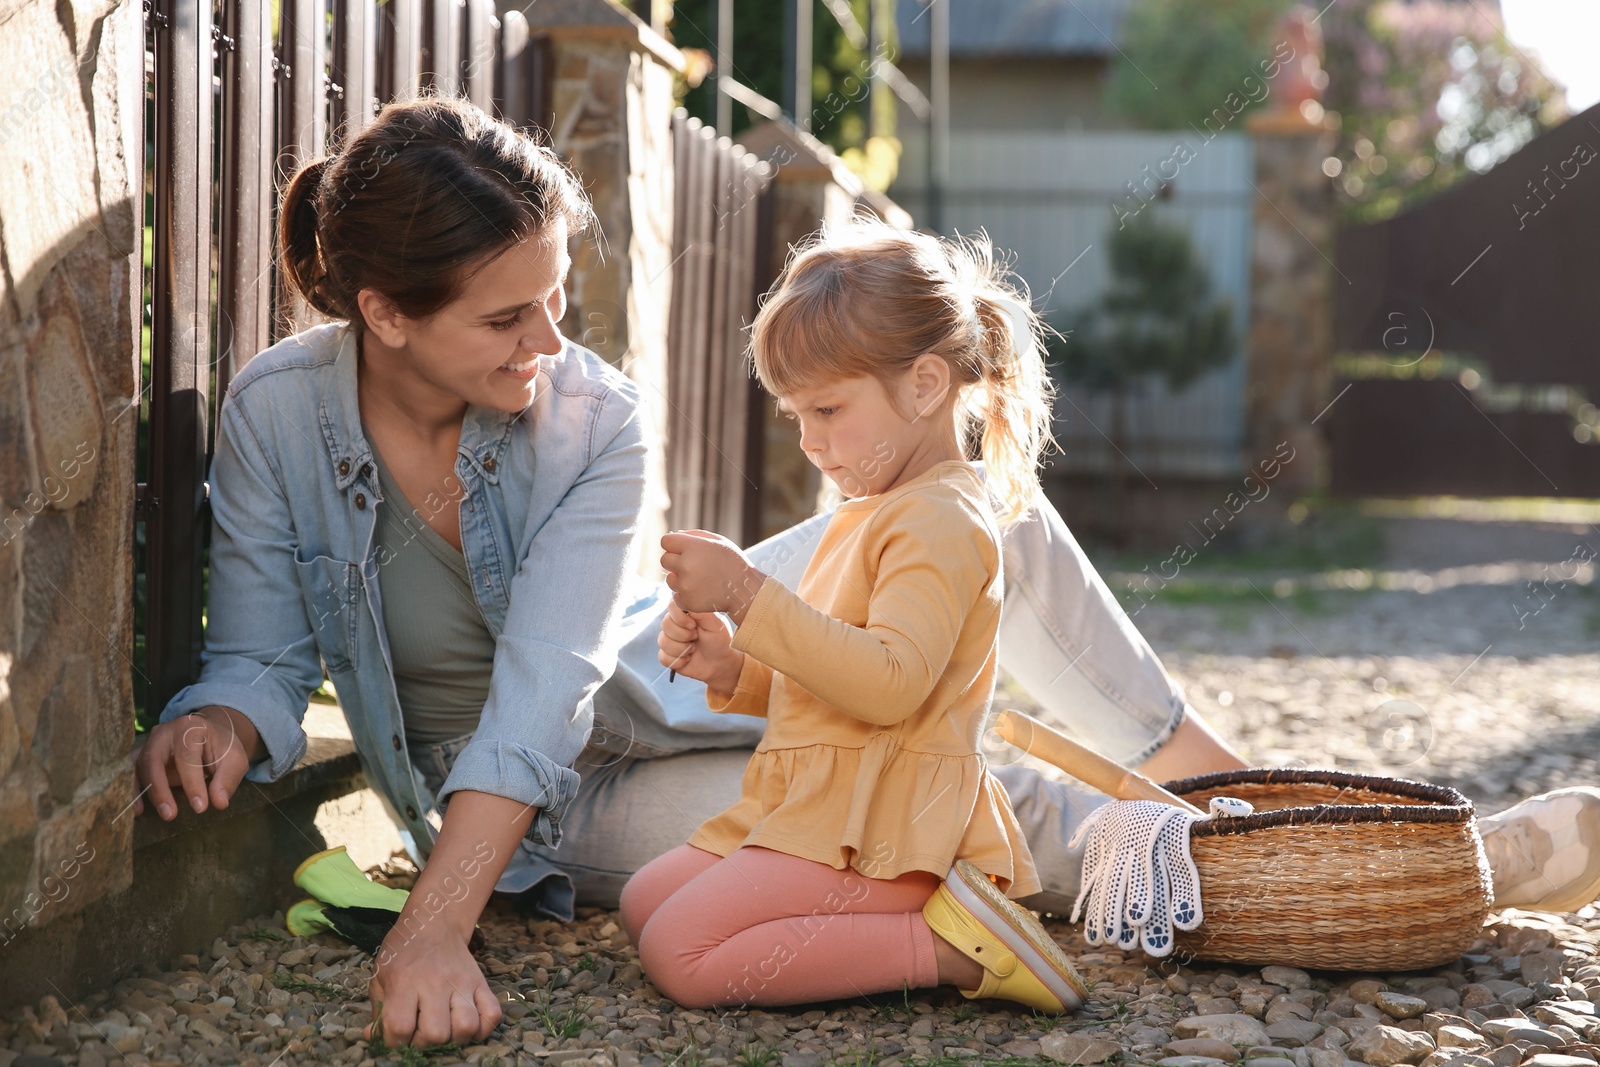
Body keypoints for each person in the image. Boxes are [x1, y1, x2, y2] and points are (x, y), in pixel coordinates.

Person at [128, 95, 1600, 1049]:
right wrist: (227, 716)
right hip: (572, 796)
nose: (550, 347)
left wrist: (430, 927)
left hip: (663, 660)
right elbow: (267, 652)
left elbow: (566, 654)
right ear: (385, 314)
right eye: (507, 320)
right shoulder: (277, 411)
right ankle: (1393, 872)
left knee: (976, 513)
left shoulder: (589, 412)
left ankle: (1262, 807)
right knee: (969, 811)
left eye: (557, 304)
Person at [617, 221, 1085, 1012]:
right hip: (819, 809)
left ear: (926, 385)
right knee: (642, 902)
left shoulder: (940, 520)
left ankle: (951, 948)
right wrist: (736, 666)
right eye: (795, 414)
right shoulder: (877, 507)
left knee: (680, 948)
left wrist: (745, 593)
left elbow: (891, 686)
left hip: (883, 832)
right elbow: (833, 684)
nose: (808, 439)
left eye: (828, 409)